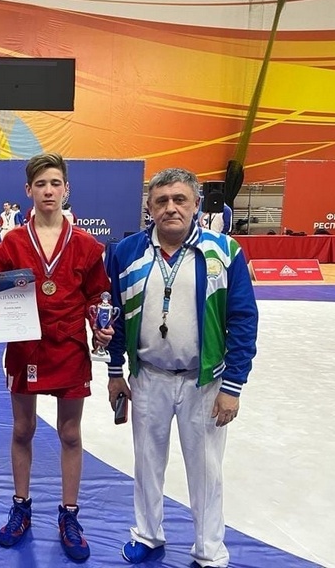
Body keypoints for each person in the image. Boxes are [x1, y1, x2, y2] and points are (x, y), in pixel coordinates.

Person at [105, 168, 258, 568]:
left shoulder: (223, 251)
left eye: (179, 199)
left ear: (196, 205)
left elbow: (243, 319)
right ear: (149, 207)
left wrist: (233, 385)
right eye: (161, 201)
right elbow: (114, 315)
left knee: (206, 471)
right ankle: (147, 534)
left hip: (204, 381)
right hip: (147, 376)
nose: (170, 208)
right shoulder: (127, 252)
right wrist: (115, 371)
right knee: (146, 463)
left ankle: (209, 552)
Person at [0, 153, 113, 561]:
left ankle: (69, 514)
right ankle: (21, 506)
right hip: (26, 348)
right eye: (41, 184)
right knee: (23, 429)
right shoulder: (12, 243)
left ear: (66, 189)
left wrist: (100, 323)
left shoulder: (86, 245)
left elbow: (97, 295)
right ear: (28, 191)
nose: (48, 191)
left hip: (70, 347)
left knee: (70, 434)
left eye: (55, 183)